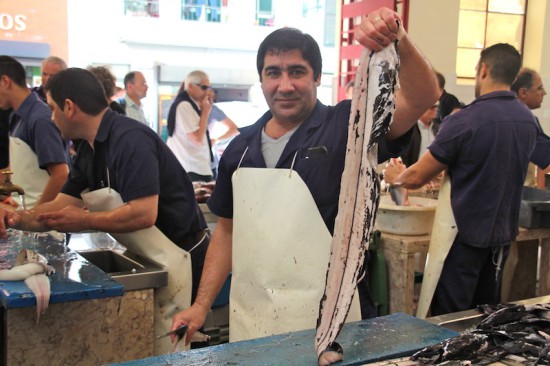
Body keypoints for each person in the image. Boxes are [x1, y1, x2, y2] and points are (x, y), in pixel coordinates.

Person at [171, 7, 439, 345]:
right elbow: (226, 231)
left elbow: (421, 97)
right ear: (261, 80)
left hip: (335, 317)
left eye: (297, 71)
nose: (285, 85)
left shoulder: (349, 125)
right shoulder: (239, 150)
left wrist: (395, 36)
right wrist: (200, 306)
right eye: (274, 73)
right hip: (255, 319)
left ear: (316, 77)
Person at [0, 67, 209, 355]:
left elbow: (143, 213)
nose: (51, 117)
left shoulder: (129, 139)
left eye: (52, 108)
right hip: (151, 256)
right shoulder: (87, 150)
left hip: (184, 256)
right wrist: (16, 219)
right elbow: (62, 205)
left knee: (172, 349)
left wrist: (85, 220)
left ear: (69, 107)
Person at [384, 44, 538, 316]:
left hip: (463, 238)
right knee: (484, 314)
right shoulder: (527, 119)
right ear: (514, 77)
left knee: (452, 317)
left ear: (483, 69)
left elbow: (417, 176)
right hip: (501, 238)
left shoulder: (465, 120)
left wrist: (396, 176)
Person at [0, 56, 69, 208]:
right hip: (21, 217)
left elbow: (61, 174)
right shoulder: (15, 115)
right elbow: (20, 167)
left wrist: (35, 215)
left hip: (43, 227)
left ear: (5, 81)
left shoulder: (40, 119)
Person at [166, 71, 214, 182]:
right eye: (204, 87)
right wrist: (205, 113)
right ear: (191, 86)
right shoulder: (184, 105)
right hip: (191, 168)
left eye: (208, 87)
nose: (207, 91)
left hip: (197, 167)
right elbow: (197, 138)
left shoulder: (193, 105)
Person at [511, 68, 550, 188]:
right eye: (540, 88)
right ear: (523, 93)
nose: (544, 93)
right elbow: (546, 155)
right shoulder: (525, 122)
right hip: (515, 196)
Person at [400, 102, 439, 167]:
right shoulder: (409, 128)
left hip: (434, 172)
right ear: (422, 109)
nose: (435, 110)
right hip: (415, 172)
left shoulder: (437, 128)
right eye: (432, 107)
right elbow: (403, 156)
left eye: (436, 107)